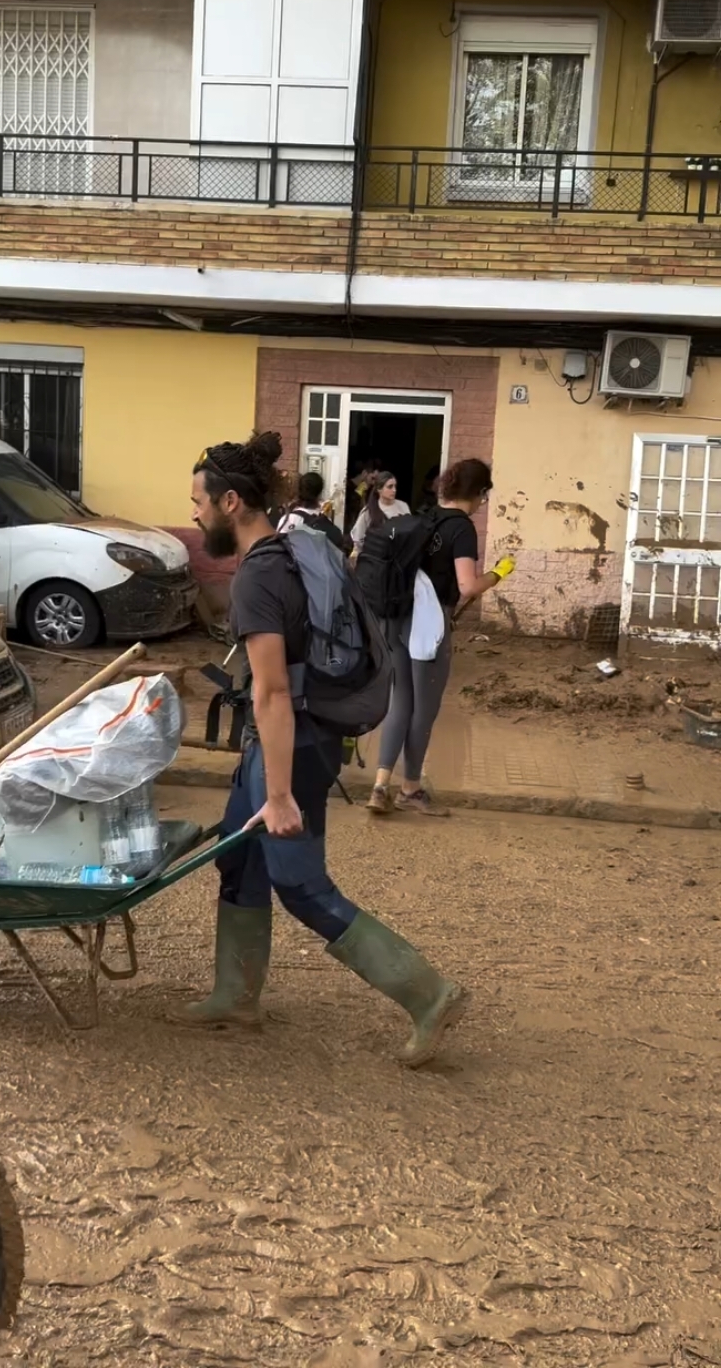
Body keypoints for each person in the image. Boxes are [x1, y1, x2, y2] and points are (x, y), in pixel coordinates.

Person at [181, 431, 469, 1066]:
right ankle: (236, 994)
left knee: (302, 884)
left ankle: (428, 994)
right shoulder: (291, 549)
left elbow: (274, 693)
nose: (195, 513)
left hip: (294, 742)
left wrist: (279, 794)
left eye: (199, 501)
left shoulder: (258, 578)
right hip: (298, 739)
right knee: (240, 858)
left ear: (231, 502)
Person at [367, 458, 515, 818]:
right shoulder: (461, 528)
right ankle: (411, 789)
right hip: (429, 627)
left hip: (396, 621)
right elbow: (467, 586)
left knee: (401, 702)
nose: (482, 504)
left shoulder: (424, 517)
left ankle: (379, 785)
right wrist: (497, 574)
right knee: (424, 711)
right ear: (479, 493)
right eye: (483, 496)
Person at [277, 471, 345, 550]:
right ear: (320, 492)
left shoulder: (289, 520)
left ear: (299, 490)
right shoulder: (328, 524)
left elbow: (278, 551)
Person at [350, 472, 409, 558]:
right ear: (379, 489)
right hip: (377, 560)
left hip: (399, 557)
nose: (394, 490)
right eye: (390, 487)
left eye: (395, 486)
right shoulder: (369, 510)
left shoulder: (403, 506)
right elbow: (358, 539)